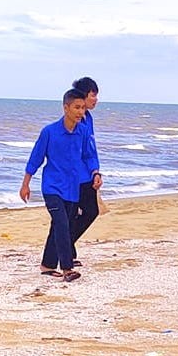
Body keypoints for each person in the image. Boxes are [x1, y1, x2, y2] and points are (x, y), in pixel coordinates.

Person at [19, 89, 98, 282]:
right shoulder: (49, 132)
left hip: (72, 189)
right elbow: (36, 158)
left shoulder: (83, 131)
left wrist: (95, 172)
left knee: (59, 225)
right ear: (66, 108)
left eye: (82, 108)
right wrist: (25, 184)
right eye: (76, 107)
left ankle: (46, 265)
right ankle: (67, 269)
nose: (81, 112)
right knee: (62, 223)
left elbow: (89, 155)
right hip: (52, 187)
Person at [68, 77, 106, 259]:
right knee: (72, 213)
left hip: (87, 175)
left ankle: (66, 246)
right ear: (83, 96)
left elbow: (91, 149)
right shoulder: (72, 121)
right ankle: (65, 249)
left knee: (91, 211)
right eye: (93, 95)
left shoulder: (88, 119)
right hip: (73, 177)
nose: (96, 99)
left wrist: (96, 171)